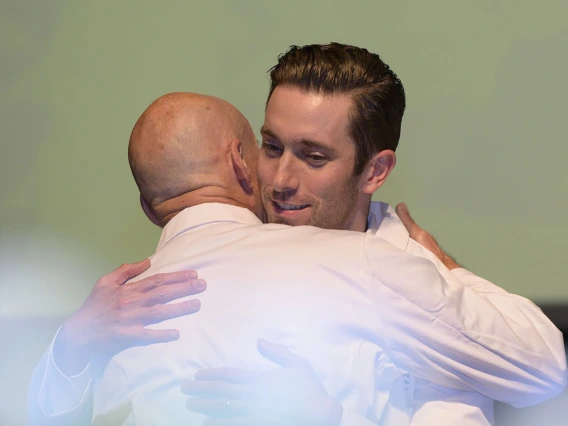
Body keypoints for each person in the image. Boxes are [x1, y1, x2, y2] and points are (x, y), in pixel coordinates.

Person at [28, 91, 566, 426]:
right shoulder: (368, 263)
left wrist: (68, 347)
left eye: (313, 156)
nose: (283, 180)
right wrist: (446, 266)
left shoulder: (103, 322)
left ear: (149, 208)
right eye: (271, 148)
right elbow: (546, 369)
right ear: (243, 162)